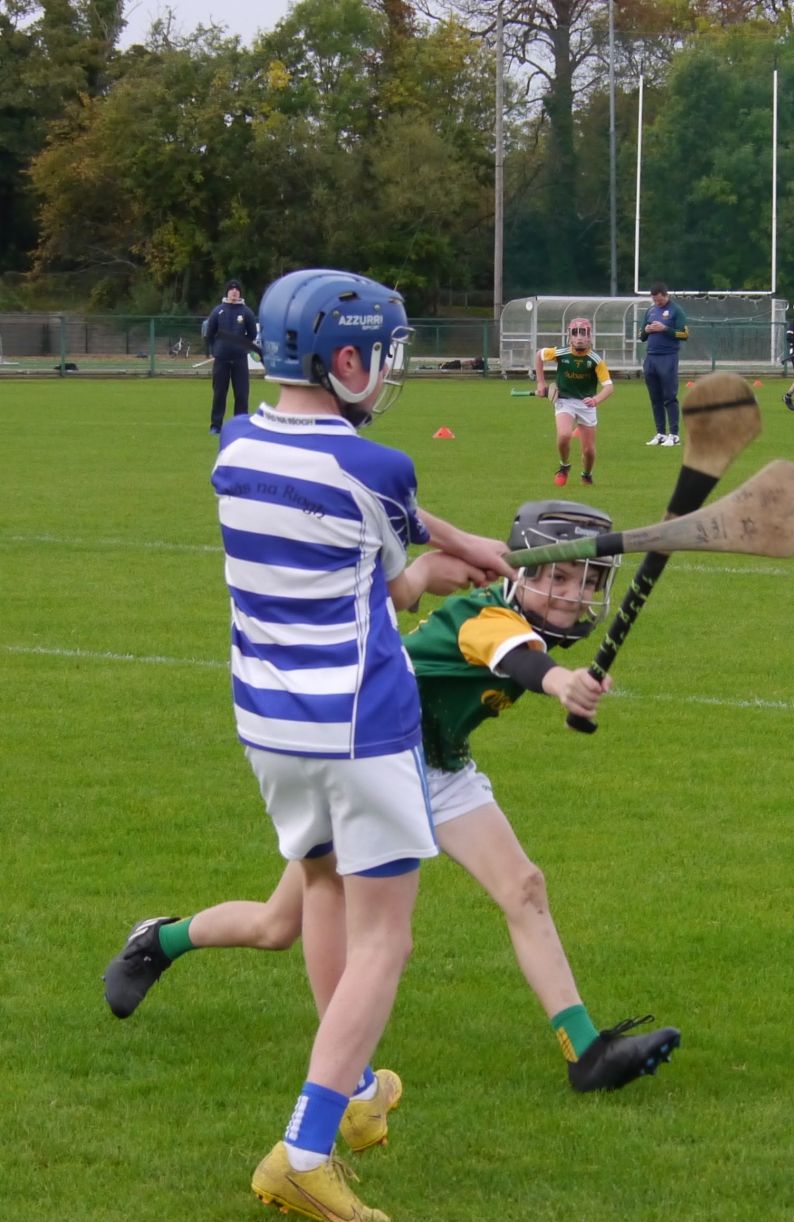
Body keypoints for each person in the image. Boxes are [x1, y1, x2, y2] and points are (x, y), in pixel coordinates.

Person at [106, 267, 514, 1222]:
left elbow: (382, 573)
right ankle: (304, 1150)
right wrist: (462, 556)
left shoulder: (236, 446)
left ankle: (359, 1091)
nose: (392, 370)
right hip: (359, 728)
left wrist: (442, 555)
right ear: (344, 359)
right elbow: (403, 563)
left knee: (325, 892)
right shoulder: (379, 469)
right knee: (387, 938)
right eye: (384, 353)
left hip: (270, 727)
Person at [103, 502, 681, 1108]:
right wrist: (562, 682)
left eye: (588, 582)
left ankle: (585, 1052)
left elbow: (525, 656)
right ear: (524, 575)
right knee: (278, 927)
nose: (575, 594)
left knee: (524, 886)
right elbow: (517, 659)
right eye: (561, 578)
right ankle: (159, 941)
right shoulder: (484, 616)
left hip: (439, 766)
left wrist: (561, 681)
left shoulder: (520, 626)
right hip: (372, 763)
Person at [534, 317, 613, 486]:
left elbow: (609, 387)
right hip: (565, 401)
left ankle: (587, 474)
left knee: (589, 451)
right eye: (575, 333)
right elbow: (539, 355)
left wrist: (596, 399)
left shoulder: (595, 360)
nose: (579, 337)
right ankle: (564, 466)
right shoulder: (561, 353)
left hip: (586, 405)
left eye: (583, 333)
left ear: (590, 336)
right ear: (569, 336)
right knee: (564, 435)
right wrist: (540, 383)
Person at [204, 278, 259, 435]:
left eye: (237, 289)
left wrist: (241, 345)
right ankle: (216, 425)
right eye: (231, 289)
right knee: (219, 392)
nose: (234, 291)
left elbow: (252, 334)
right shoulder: (218, 311)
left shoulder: (246, 312)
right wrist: (217, 349)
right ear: (227, 292)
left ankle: (240, 426)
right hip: (221, 359)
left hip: (240, 359)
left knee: (241, 393)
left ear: (240, 293)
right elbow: (209, 334)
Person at [640, 282, 689, 447]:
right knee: (655, 398)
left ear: (665, 295)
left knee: (669, 396)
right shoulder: (650, 310)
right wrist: (646, 330)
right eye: (654, 300)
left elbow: (684, 334)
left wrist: (664, 328)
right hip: (651, 358)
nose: (657, 303)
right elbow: (642, 336)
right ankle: (660, 433)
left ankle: (674, 435)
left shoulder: (676, 310)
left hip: (667, 357)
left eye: (659, 300)